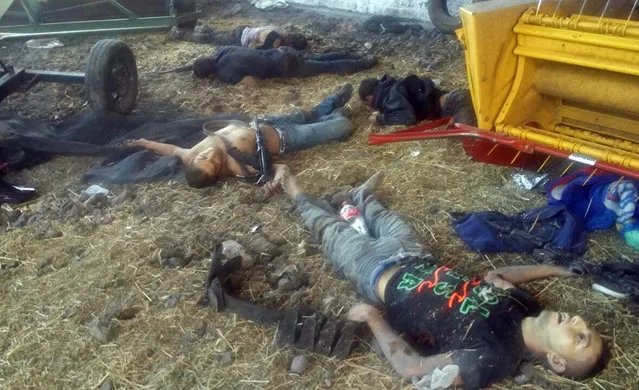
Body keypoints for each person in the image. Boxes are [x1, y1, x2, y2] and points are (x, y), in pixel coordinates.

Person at [265, 170, 607, 389]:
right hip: (414, 254)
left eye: (579, 338)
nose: (579, 322)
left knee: (329, 229)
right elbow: (497, 275)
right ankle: (360, 197)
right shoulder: (525, 306)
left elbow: (412, 367)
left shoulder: (491, 357)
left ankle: (296, 191)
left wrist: (373, 317)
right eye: (586, 326)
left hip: (374, 273)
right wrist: (555, 268)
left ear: (557, 361)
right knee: (383, 215)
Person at [124, 85, 354, 189]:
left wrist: (145, 143)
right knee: (342, 126)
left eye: (204, 156)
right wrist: (274, 182)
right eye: (213, 163)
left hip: (266, 120)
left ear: (194, 160)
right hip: (285, 137)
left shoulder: (190, 155)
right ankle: (336, 116)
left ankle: (333, 102)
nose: (211, 155)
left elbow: (172, 150)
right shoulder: (237, 168)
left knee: (308, 113)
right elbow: (276, 169)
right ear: (218, 173)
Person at [190, 46, 377, 86]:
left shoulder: (224, 73)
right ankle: (351, 53)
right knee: (318, 57)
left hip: (285, 66)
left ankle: (364, 63)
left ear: (210, 75)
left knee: (326, 66)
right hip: (281, 52)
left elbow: (251, 82)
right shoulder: (223, 50)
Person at [359, 75, 477, 126]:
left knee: (469, 141)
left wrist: (379, 119)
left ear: (369, 97)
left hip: (456, 102)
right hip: (454, 100)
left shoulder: (391, 95)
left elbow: (407, 117)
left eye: (367, 103)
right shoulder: (393, 87)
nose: (369, 107)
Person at [169, 23, 308, 50]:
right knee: (210, 39)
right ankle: (180, 35)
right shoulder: (277, 38)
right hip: (239, 38)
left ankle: (198, 27)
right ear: (291, 43)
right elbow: (255, 47)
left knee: (214, 33)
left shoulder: (280, 29)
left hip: (243, 30)